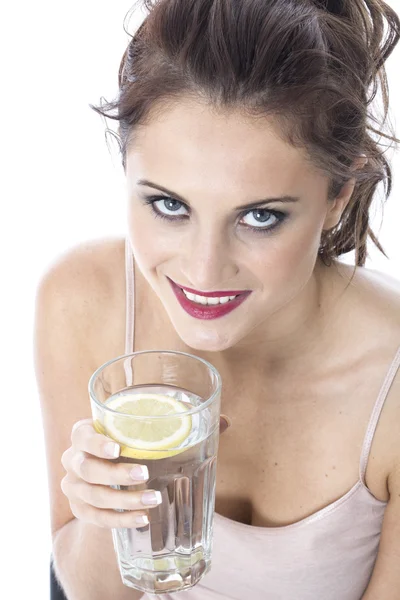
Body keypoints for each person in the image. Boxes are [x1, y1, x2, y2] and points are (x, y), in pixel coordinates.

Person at [34, 1, 400, 599]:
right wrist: (106, 514)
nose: (204, 271)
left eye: (260, 216)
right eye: (169, 205)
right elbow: (86, 590)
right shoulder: (83, 300)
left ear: (339, 193)